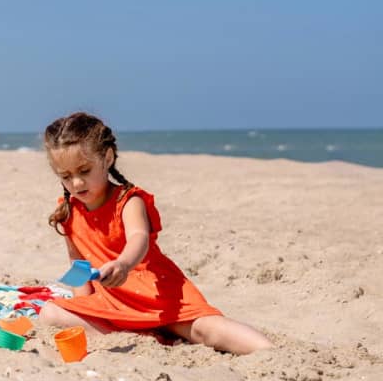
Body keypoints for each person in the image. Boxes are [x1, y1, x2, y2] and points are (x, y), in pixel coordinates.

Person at [39, 112, 273, 355]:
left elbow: (138, 238)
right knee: (50, 313)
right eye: (66, 176)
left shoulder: (128, 201)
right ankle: (146, 338)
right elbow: (78, 263)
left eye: (84, 171)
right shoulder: (68, 212)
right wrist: (83, 303)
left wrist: (123, 264)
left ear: (107, 158)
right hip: (114, 301)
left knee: (206, 330)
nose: (76, 183)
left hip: (158, 295)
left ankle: (269, 351)